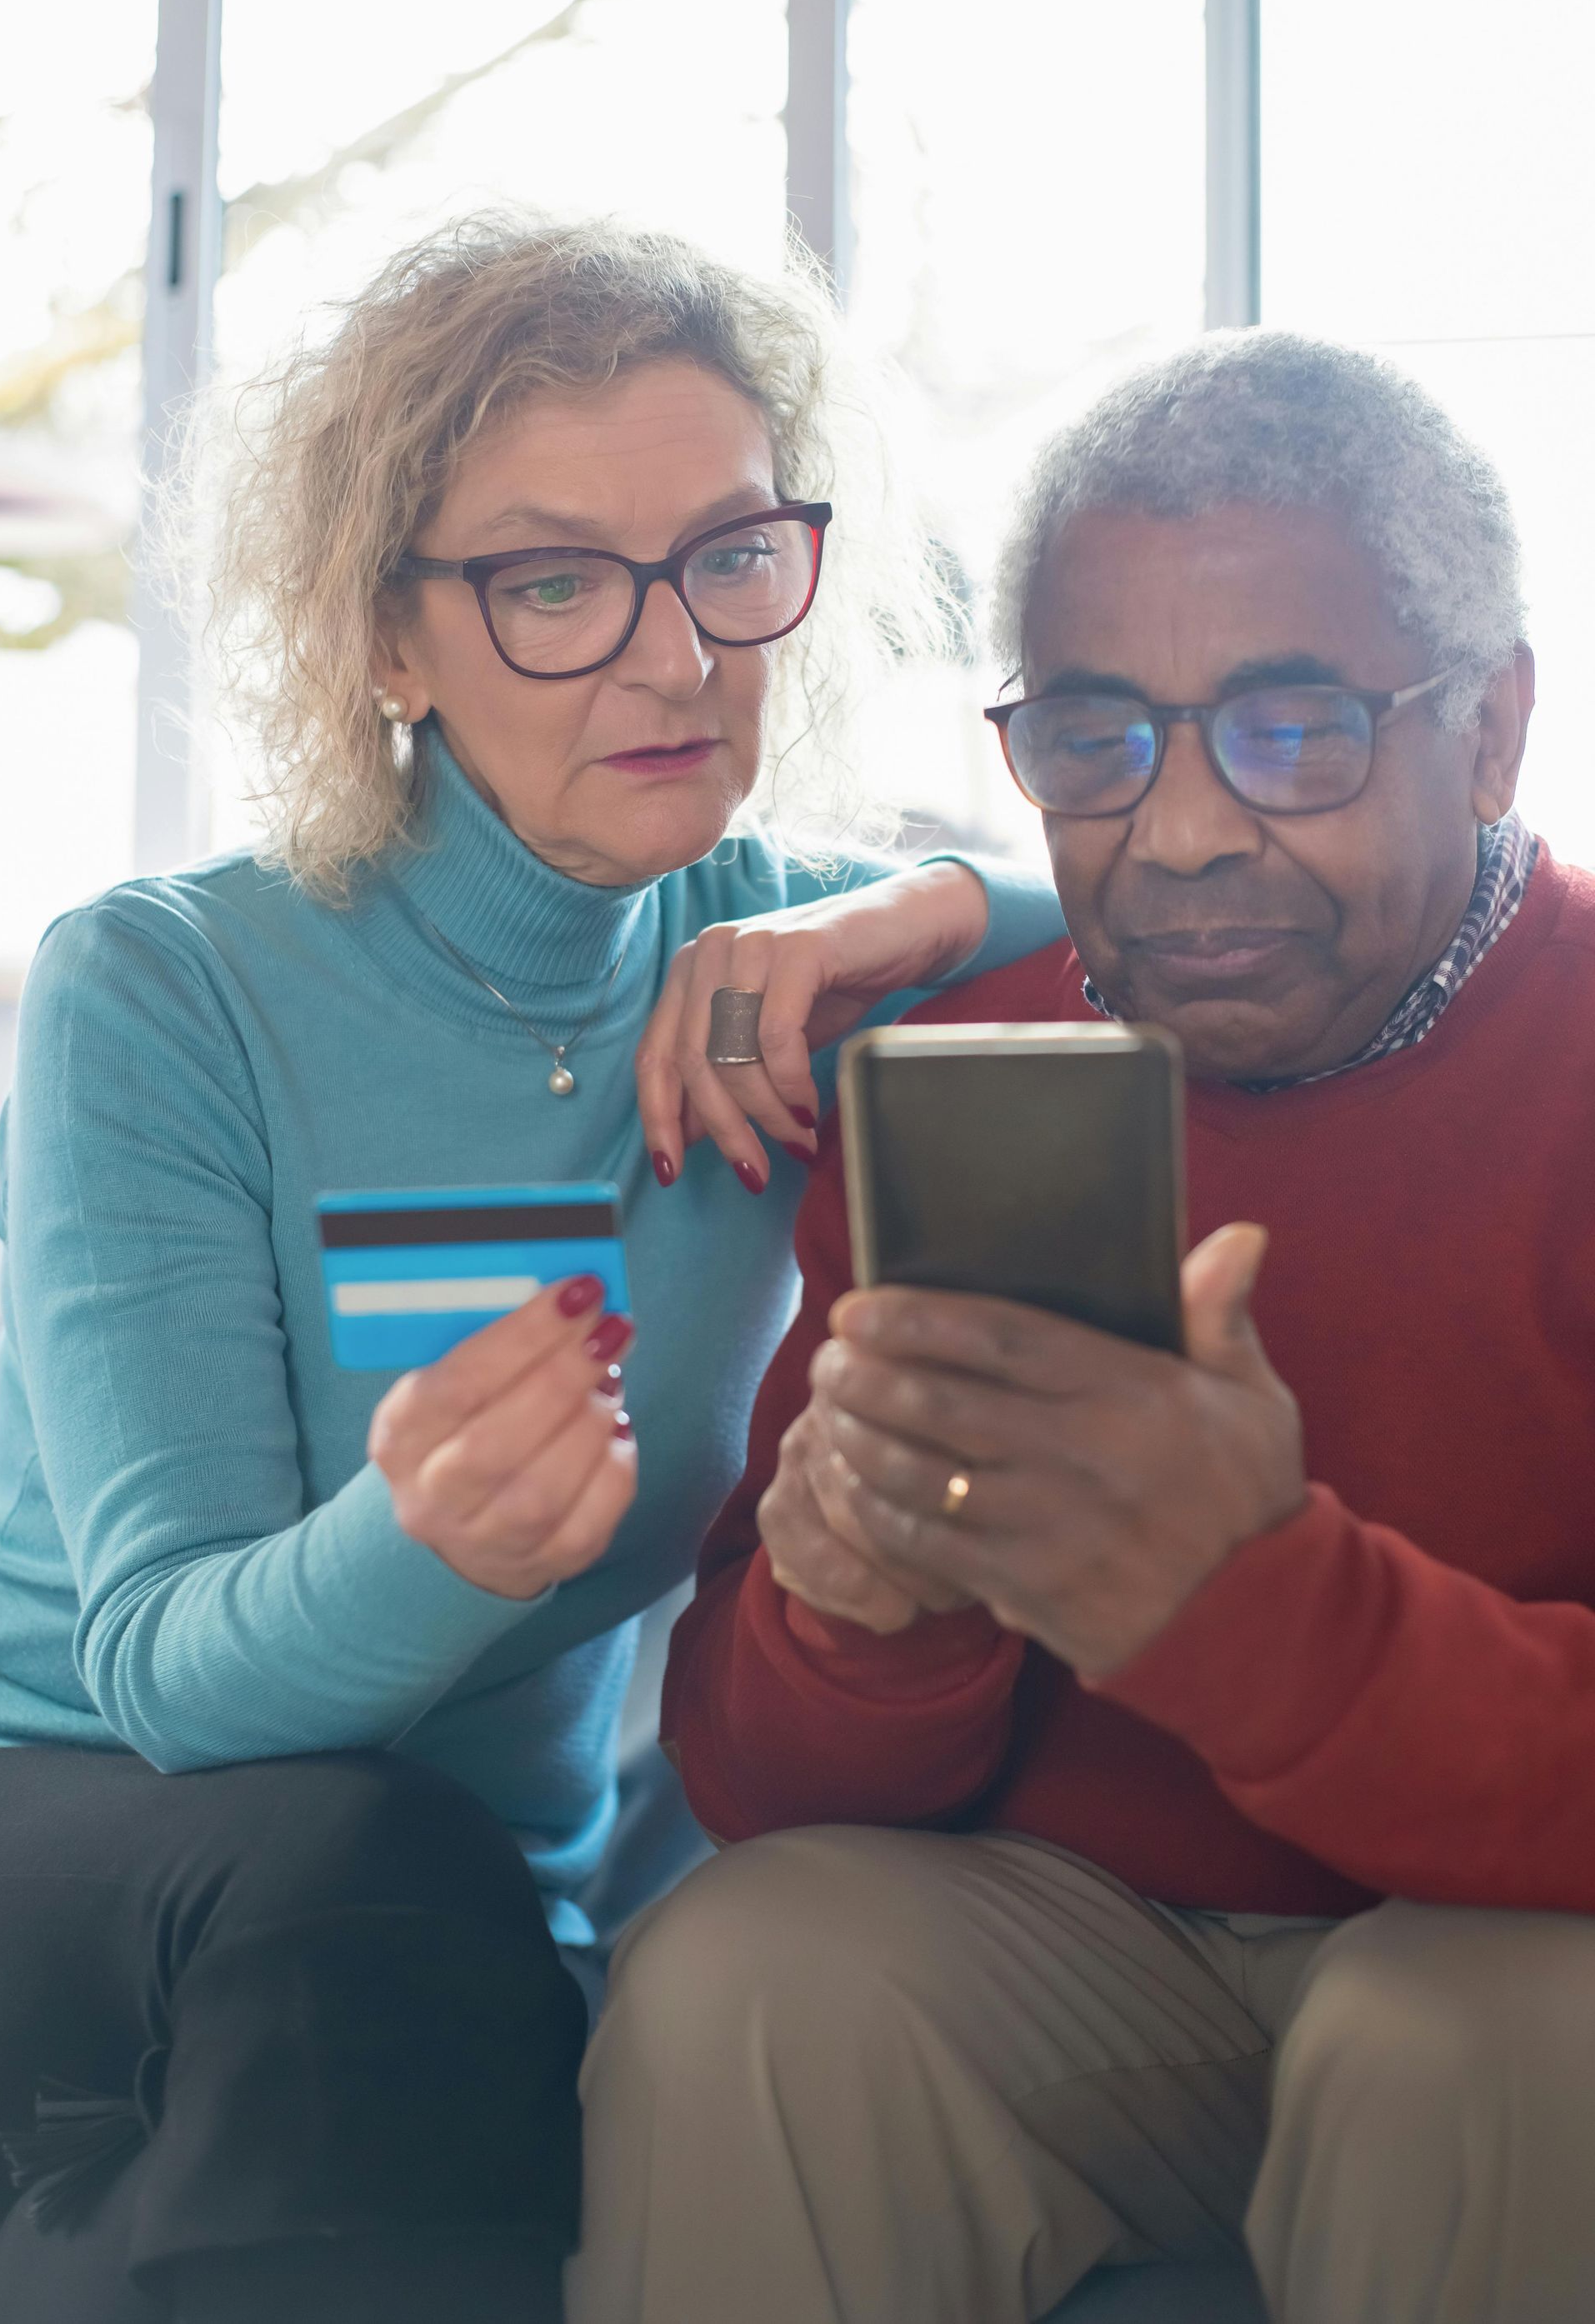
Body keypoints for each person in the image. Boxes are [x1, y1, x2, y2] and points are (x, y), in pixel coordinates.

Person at [0, 215, 1062, 2324]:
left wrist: (917, 913)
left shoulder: (779, 952)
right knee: (371, 1886)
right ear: (391, 636)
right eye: (554, 584)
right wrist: (431, 1544)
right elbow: (168, 1671)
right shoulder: (168, 982)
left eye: (733, 554)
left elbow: (1145, 897)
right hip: (92, 1797)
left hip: (471, 1891)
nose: (676, 658)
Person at [572, 332, 1595, 2324]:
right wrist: (861, 1612)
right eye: (1099, 741)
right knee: (746, 1974)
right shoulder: (968, 1071)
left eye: (1294, 730)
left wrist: (1246, 1599)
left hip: (1504, 1956)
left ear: (1489, 734)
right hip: (1083, 1954)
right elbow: (758, 1772)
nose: (1186, 832)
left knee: (1462, 2032)